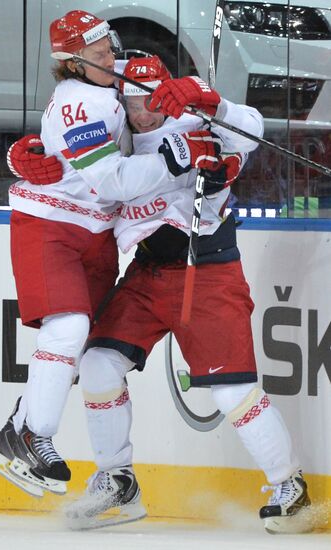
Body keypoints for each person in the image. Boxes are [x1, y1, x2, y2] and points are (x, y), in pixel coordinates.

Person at [54, 56, 305, 535]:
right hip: (147, 272)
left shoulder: (194, 116)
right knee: (97, 364)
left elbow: (252, 129)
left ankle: (288, 485)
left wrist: (214, 104)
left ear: (165, 94)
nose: (142, 112)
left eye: (150, 102)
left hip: (207, 271)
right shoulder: (114, 130)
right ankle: (117, 480)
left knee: (231, 390)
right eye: (132, 103)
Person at [0, 11, 220, 498]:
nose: (110, 61)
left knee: (76, 343)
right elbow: (110, 180)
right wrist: (174, 157)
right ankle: (32, 434)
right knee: (69, 329)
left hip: (96, 232)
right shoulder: (79, 103)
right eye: (97, 57)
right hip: (52, 224)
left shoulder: (106, 84)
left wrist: (197, 93)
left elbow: (156, 80)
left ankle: (22, 425)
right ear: (72, 64)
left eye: (109, 50)